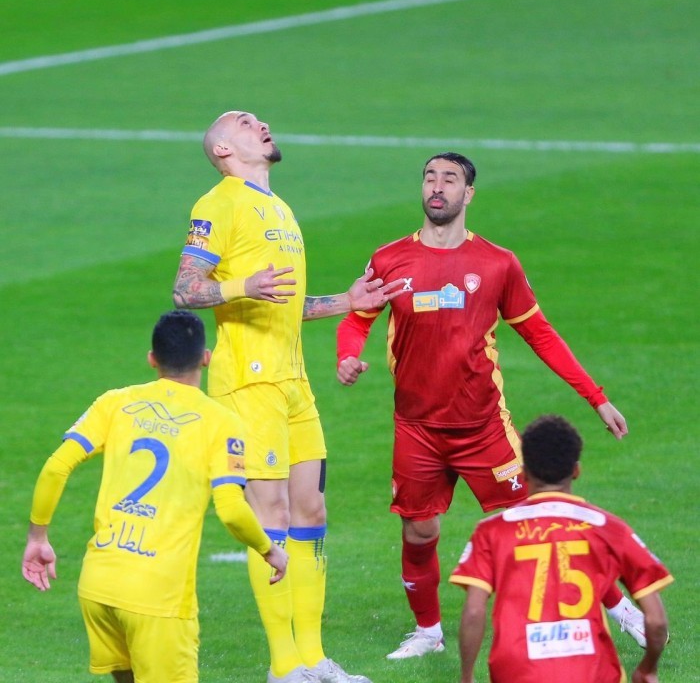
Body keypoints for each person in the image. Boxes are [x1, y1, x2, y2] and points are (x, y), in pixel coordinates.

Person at [335, 151, 647, 660]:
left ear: (469, 194)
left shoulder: (497, 263)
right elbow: (356, 318)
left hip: (482, 426)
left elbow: (540, 334)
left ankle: (620, 607)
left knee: (540, 518)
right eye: (430, 178)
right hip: (416, 427)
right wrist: (347, 357)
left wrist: (597, 398)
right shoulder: (389, 259)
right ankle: (428, 632)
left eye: (449, 179)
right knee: (419, 529)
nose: (437, 187)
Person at [172, 110, 401, 683]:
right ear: (224, 150)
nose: (260, 124)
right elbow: (186, 289)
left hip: (294, 384)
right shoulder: (216, 205)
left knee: (312, 511)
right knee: (269, 513)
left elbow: (284, 303)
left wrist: (345, 302)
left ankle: (314, 659)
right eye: (245, 122)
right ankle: (284, 666)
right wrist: (241, 285)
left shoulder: (280, 209)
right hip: (248, 384)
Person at [22, 309, 288, 683]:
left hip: (98, 586)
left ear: (152, 359)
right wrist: (268, 549)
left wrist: (37, 537)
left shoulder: (114, 402)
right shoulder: (222, 422)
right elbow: (231, 510)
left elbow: (55, 467)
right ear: (206, 358)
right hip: (158, 598)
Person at [449, 414, 673, 683]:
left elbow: (474, 611)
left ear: (524, 471)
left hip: (517, 673)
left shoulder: (491, 531)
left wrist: (466, 677)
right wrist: (647, 669)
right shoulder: (609, 528)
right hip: (592, 674)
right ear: (576, 470)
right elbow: (656, 621)